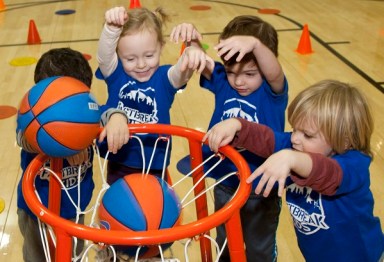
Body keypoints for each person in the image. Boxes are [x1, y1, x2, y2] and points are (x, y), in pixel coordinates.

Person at [203, 79, 384, 262]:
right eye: (295, 129)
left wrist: (291, 159)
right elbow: (268, 139)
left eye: (307, 135)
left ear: (345, 140)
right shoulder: (298, 146)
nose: (295, 138)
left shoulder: (354, 164)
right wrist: (237, 125)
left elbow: (329, 173)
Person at [171, 16, 288, 261]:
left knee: (260, 249)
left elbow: (274, 71)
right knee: (225, 244)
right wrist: (192, 40)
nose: (239, 81)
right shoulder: (225, 82)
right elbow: (199, 59)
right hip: (226, 181)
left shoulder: (272, 90)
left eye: (249, 73)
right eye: (232, 72)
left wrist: (255, 44)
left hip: (261, 187)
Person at [96, 6, 213, 185]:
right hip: (119, 163)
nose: (141, 64)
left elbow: (183, 71)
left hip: (155, 165)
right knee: (120, 210)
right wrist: (111, 29)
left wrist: (192, 49)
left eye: (149, 55)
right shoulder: (116, 74)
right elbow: (104, 57)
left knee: (155, 211)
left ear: (161, 47)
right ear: (119, 55)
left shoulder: (165, 80)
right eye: (130, 59)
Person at [15, 47, 99, 262]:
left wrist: (116, 116)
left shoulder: (89, 112)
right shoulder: (31, 112)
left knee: (73, 256)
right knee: (37, 257)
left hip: (74, 207)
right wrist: (65, 143)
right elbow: (22, 138)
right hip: (36, 211)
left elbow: (107, 115)